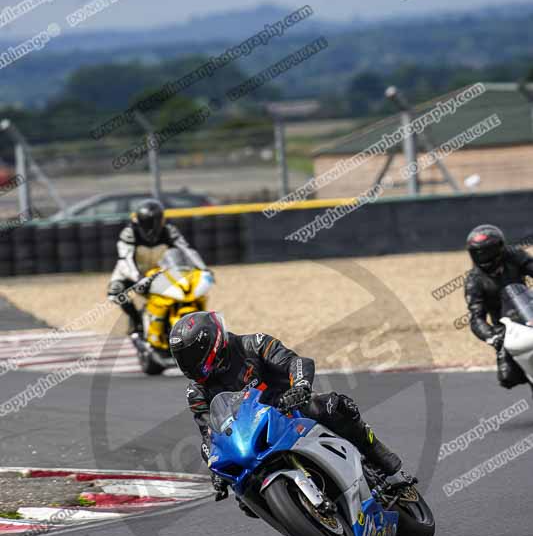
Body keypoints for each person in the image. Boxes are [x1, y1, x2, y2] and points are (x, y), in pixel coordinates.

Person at [169, 310, 413, 504]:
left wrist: (301, 386)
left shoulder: (252, 344)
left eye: (190, 355)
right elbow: (208, 435)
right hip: (252, 435)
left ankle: (388, 468)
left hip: (291, 409)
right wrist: (215, 469)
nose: (186, 363)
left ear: (210, 343)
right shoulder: (197, 392)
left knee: (334, 407)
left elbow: (296, 362)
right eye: (181, 357)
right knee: (244, 496)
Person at [107, 198, 207, 333]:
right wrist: (138, 278)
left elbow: (186, 249)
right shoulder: (130, 233)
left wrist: (202, 268)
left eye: (158, 220)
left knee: (184, 291)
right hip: (131, 273)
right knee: (115, 292)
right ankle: (136, 321)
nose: (154, 225)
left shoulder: (169, 231)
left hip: (159, 271)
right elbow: (125, 259)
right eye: (150, 222)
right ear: (141, 221)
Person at [465, 224, 533, 389]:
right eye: (478, 253)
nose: (483, 257)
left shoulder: (514, 256)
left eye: (487, 251)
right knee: (508, 376)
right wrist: (492, 335)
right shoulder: (474, 280)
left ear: (500, 248)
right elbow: (476, 318)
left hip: (528, 312)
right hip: (506, 329)